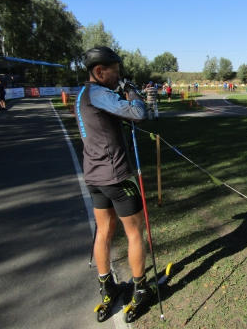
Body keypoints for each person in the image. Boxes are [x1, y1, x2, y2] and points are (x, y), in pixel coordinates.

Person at [77, 46, 148, 309]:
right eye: (115, 73)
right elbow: (139, 113)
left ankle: (107, 286)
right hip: (115, 175)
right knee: (134, 233)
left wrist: (118, 91)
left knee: (104, 231)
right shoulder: (98, 93)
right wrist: (131, 90)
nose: (118, 78)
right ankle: (140, 289)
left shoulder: (83, 93)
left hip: (94, 176)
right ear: (99, 71)